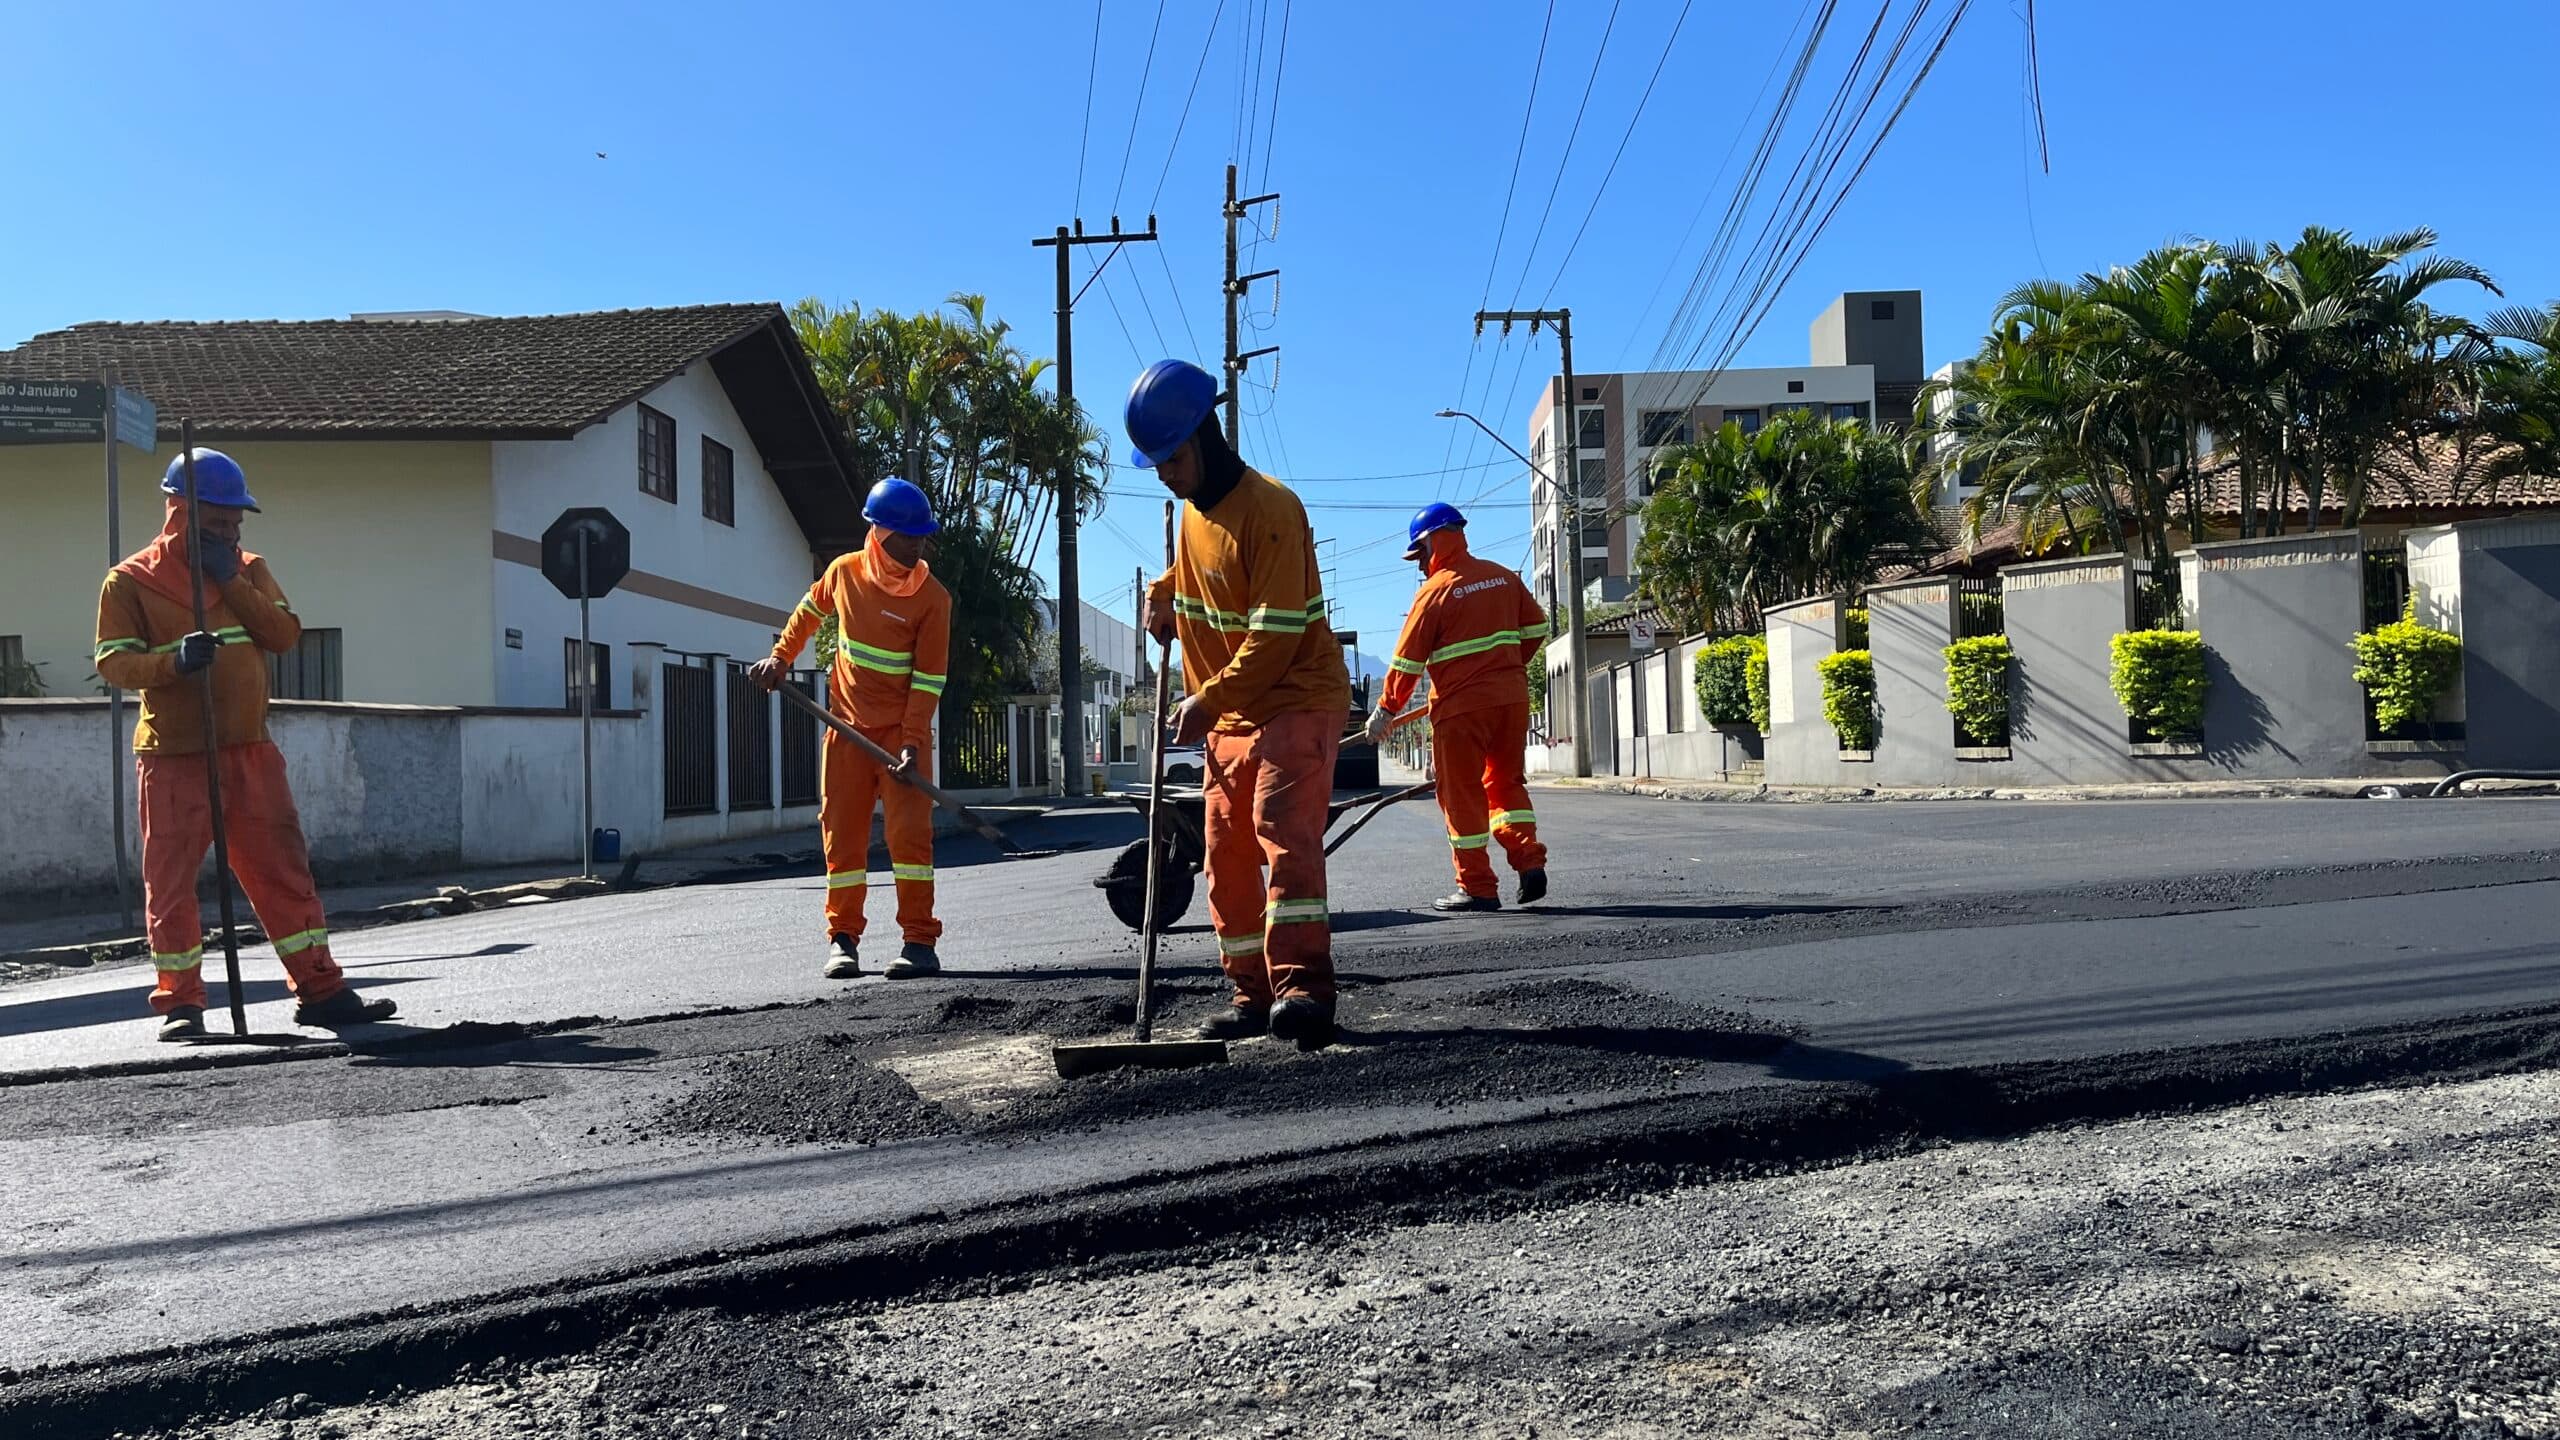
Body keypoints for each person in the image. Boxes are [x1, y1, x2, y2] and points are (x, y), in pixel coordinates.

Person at [93, 449, 398, 1041]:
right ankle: (181, 1004)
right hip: (173, 757)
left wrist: (229, 579)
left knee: (283, 871)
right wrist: (173, 662)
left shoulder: (248, 569)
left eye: (237, 522)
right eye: (220, 521)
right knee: (172, 883)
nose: (232, 531)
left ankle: (321, 989)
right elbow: (113, 661)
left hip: (249, 751)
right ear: (180, 512)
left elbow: (283, 635)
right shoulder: (129, 581)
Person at [1127, 359, 1354, 1051]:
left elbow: (1277, 636)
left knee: (1280, 830)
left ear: (1206, 435)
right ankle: (1252, 993)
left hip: (1296, 697)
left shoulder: (1273, 510)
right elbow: (1200, 567)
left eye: (1172, 456)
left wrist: (1208, 698)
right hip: (1230, 711)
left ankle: (1303, 989)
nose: (1164, 472)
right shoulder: (1195, 514)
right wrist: (1161, 594)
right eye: (1156, 462)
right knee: (1224, 852)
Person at [753, 478, 950, 981]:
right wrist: (780, 658)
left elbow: (927, 681)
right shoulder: (843, 573)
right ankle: (843, 941)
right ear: (880, 536)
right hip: (844, 730)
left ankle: (919, 943)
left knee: (910, 841)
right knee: (842, 840)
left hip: (900, 737)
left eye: (922, 537)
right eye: (908, 537)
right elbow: (807, 615)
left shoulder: (933, 599)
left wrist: (909, 742)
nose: (917, 546)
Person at [1363, 502, 1550, 912]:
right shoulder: (1503, 578)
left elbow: (1406, 662)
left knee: (1461, 794)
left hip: (1461, 709)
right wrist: (1508, 667)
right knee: (1505, 785)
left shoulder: (1434, 592)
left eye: (1420, 554)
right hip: (1511, 700)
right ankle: (1528, 858)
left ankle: (1478, 887)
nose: (1419, 565)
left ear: (1433, 542)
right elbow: (1537, 627)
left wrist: (1385, 711)